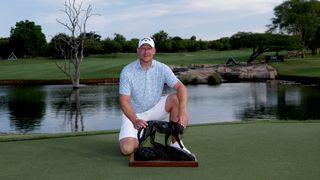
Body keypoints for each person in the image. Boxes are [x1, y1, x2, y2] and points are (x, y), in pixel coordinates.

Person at [118, 36, 190, 156]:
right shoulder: (127, 71)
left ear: (154, 51)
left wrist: (182, 111)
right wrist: (135, 120)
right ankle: (135, 137)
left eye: (149, 48)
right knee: (127, 149)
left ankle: (175, 142)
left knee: (175, 99)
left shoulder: (162, 68)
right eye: (143, 48)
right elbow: (124, 100)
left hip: (156, 109)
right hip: (134, 114)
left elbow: (181, 87)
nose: (146, 52)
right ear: (138, 51)